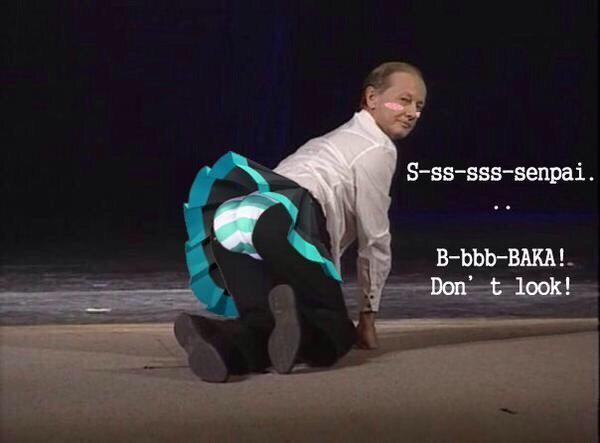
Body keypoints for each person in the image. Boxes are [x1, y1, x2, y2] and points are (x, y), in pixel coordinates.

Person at [174, 61, 427, 382]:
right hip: (281, 219)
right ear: (372, 98)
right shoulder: (377, 147)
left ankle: (216, 340)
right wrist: (367, 316)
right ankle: (302, 329)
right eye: (403, 100)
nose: (412, 113)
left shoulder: (331, 139)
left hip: (232, 217)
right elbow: (374, 238)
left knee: (261, 322)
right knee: (336, 333)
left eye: (419, 106)